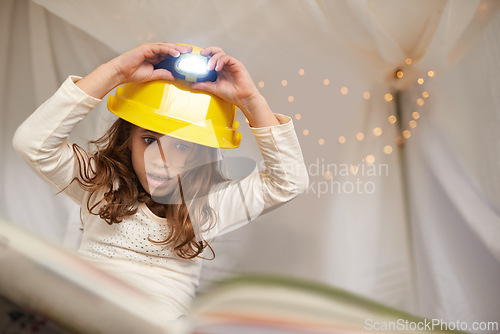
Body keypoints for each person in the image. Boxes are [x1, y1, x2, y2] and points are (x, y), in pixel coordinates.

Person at [13, 42, 309, 320]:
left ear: (199, 155)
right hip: (84, 314)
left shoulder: (208, 207)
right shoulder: (100, 184)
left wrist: (250, 100)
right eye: (148, 140)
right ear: (127, 140)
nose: (161, 160)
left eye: (181, 146)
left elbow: (289, 181)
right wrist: (115, 72)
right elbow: (33, 143)